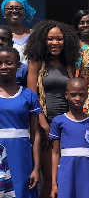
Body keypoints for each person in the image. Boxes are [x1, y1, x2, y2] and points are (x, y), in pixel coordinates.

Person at [24, 20, 79, 198]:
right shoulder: (37, 61)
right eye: (50, 39)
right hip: (45, 124)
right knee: (49, 178)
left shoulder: (70, 64)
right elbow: (32, 96)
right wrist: (43, 124)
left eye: (59, 39)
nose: (55, 43)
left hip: (68, 125)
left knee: (66, 176)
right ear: (42, 40)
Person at [0, 47, 41, 197]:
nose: (3, 66)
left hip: (20, 155)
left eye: (9, 63)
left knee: (20, 192)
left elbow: (35, 135)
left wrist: (36, 168)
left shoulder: (28, 95)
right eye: (0, 63)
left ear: (18, 66)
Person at [50, 78, 89, 198]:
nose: (77, 98)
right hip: (67, 171)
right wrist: (54, 184)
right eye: (73, 95)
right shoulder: (58, 121)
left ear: (87, 95)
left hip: (88, 171)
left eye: (81, 95)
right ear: (66, 95)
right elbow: (56, 153)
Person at [1, 0, 36, 64]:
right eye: (10, 8)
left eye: (18, 8)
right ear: (4, 12)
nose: (14, 11)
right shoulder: (1, 36)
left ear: (25, 12)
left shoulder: (34, 35)